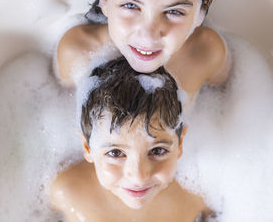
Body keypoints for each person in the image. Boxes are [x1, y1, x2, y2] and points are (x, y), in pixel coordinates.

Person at [50, 57, 215, 222]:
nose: (138, 177)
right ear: (87, 148)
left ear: (179, 143)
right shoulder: (66, 192)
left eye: (158, 150)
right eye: (115, 153)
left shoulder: (198, 198)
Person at [55, 0, 231, 99]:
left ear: (201, 8)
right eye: (131, 6)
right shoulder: (76, 53)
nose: (148, 36)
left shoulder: (206, 53)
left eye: (174, 11)